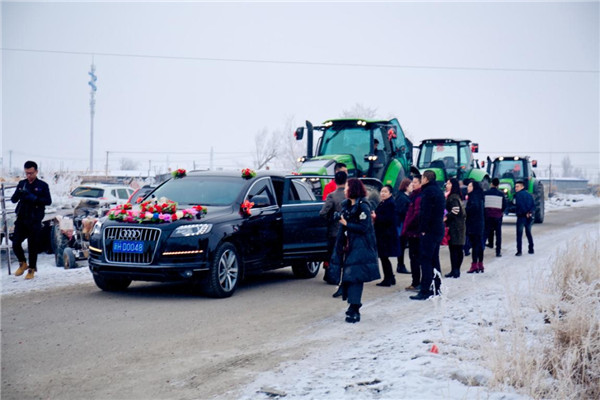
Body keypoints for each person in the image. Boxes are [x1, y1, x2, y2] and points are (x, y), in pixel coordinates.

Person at [330, 178, 380, 323]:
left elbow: (364, 228)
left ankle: (354, 308)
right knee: (350, 277)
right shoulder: (347, 205)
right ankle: (352, 306)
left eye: (346, 187)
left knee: (355, 277)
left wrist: (347, 223)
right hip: (348, 246)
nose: (344, 190)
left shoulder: (363, 206)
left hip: (360, 247)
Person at [11, 160, 52, 280]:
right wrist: (19, 193)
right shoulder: (22, 183)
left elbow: (48, 201)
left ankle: (31, 269)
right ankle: (22, 263)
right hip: (22, 217)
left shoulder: (42, 185)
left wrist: (34, 197)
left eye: (31, 173)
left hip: (34, 219)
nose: (28, 176)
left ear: (36, 172)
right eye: (26, 173)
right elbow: (13, 200)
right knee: (15, 242)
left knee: (32, 245)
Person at [410, 170, 445, 300]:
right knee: (434, 259)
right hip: (438, 229)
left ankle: (425, 290)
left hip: (429, 231)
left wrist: (423, 229)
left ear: (425, 179)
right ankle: (436, 287)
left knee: (425, 260)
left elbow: (425, 212)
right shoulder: (438, 191)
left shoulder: (428, 192)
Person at [319, 171, 348, 291]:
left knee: (335, 256)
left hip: (335, 231)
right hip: (349, 230)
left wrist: (330, 220)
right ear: (346, 181)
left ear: (335, 181)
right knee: (347, 255)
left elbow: (323, 213)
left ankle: (335, 278)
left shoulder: (332, 196)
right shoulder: (350, 196)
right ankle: (346, 278)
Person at [374, 185, 399, 287]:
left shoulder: (390, 204)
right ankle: (390, 277)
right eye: (381, 191)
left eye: (385, 192)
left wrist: (376, 217)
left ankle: (388, 279)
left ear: (390, 193)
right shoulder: (383, 203)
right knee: (384, 257)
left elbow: (388, 219)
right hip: (382, 233)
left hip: (386, 234)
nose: (382, 193)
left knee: (384, 257)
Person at [401, 175, 422, 292]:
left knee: (415, 258)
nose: (413, 184)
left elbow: (415, 215)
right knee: (414, 258)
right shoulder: (413, 196)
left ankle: (416, 282)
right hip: (413, 232)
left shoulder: (418, 197)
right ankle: (416, 281)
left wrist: (408, 225)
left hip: (415, 233)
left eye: (415, 182)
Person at [444, 178, 466, 278]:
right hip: (460, 226)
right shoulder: (457, 196)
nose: (446, 185)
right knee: (458, 248)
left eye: (449, 184)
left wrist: (446, 218)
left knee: (454, 249)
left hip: (455, 227)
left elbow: (455, 210)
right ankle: (456, 270)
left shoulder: (452, 197)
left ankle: (455, 270)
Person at [484, 177, 507, 257]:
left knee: (485, 233)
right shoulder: (501, 194)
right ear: (498, 185)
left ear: (491, 184)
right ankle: (498, 251)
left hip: (488, 216)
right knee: (498, 234)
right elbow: (504, 205)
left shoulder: (486, 193)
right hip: (497, 216)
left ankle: (481, 248)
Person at [465, 181, 485, 273]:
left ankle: (474, 265)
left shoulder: (473, 197)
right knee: (479, 244)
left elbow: (474, 208)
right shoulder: (480, 195)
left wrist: (466, 210)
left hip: (474, 224)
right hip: (480, 223)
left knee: (475, 245)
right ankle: (480, 264)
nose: (467, 188)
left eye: (469, 186)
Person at [394, 178, 412, 274]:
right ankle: (400, 265)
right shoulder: (402, 198)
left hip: (401, 224)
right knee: (401, 246)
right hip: (401, 225)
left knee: (402, 246)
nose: (412, 187)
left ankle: (400, 265)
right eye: (410, 185)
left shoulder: (402, 196)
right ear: (406, 186)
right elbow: (401, 211)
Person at [514, 180, 535, 256]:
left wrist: (524, 212)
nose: (516, 188)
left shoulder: (518, 195)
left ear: (522, 186)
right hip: (528, 216)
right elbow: (533, 205)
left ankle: (519, 251)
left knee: (519, 234)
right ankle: (531, 248)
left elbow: (520, 205)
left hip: (521, 216)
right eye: (515, 186)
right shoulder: (529, 195)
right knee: (528, 233)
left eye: (517, 186)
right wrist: (529, 212)